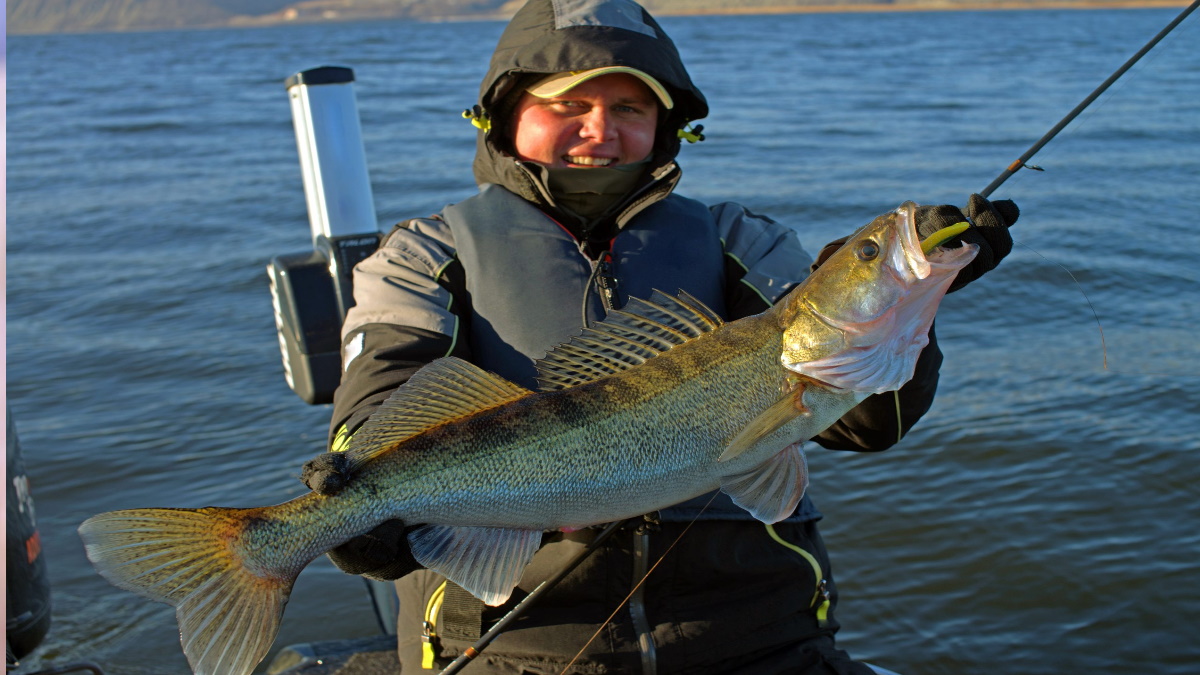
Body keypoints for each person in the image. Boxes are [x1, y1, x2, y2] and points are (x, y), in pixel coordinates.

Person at [300, 0, 1018, 672]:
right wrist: (359, 504)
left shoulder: (739, 238)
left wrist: (915, 302)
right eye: (566, 105)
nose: (599, 130)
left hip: (759, 630)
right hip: (514, 645)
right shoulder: (423, 255)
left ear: (665, 125)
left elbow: (869, 421)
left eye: (629, 108)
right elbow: (379, 405)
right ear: (505, 116)